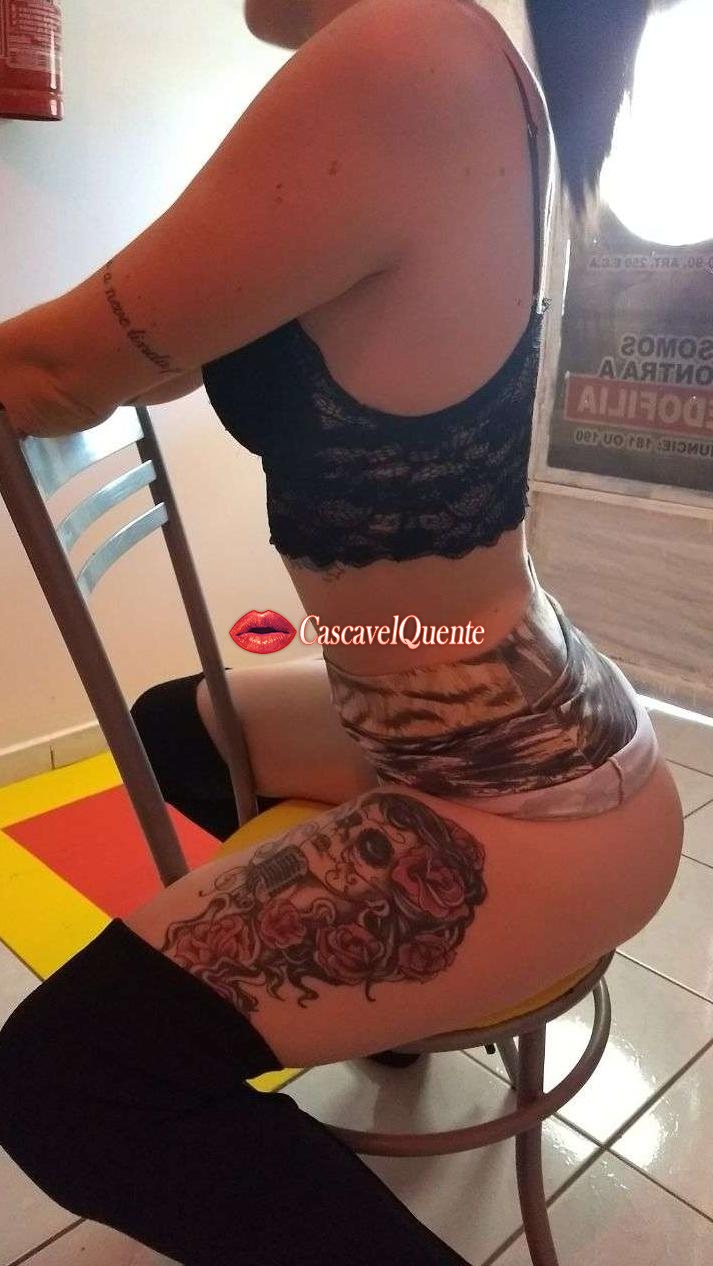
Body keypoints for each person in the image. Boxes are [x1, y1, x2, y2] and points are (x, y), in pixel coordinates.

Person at [0, 1, 683, 1263]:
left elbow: (51, 375)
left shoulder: (403, 54)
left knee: (66, 1083)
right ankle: (398, 1006)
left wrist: (72, 360)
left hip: (530, 801)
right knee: (173, 728)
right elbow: (150, 354)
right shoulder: (447, 55)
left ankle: (413, 973)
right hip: (494, 708)